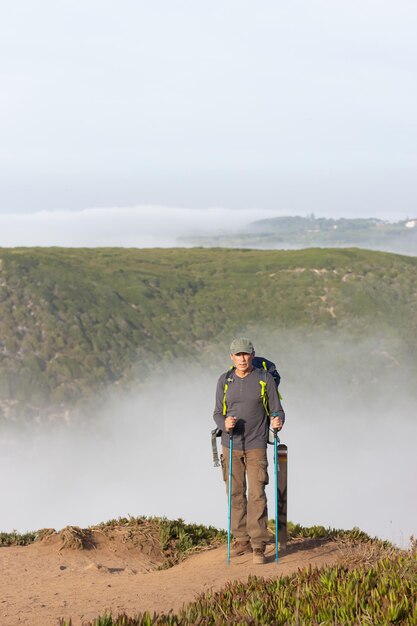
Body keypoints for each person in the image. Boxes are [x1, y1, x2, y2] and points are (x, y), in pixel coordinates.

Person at [213, 337, 285, 564]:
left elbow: (277, 409)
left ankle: (258, 545)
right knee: (234, 493)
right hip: (230, 444)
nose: (242, 359)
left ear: (253, 355)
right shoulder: (225, 380)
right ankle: (241, 539)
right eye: (238, 355)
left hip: (256, 444)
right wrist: (224, 423)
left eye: (245, 354)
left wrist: (277, 421)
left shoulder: (264, 379)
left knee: (256, 495)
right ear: (231, 357)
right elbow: (217, 413)